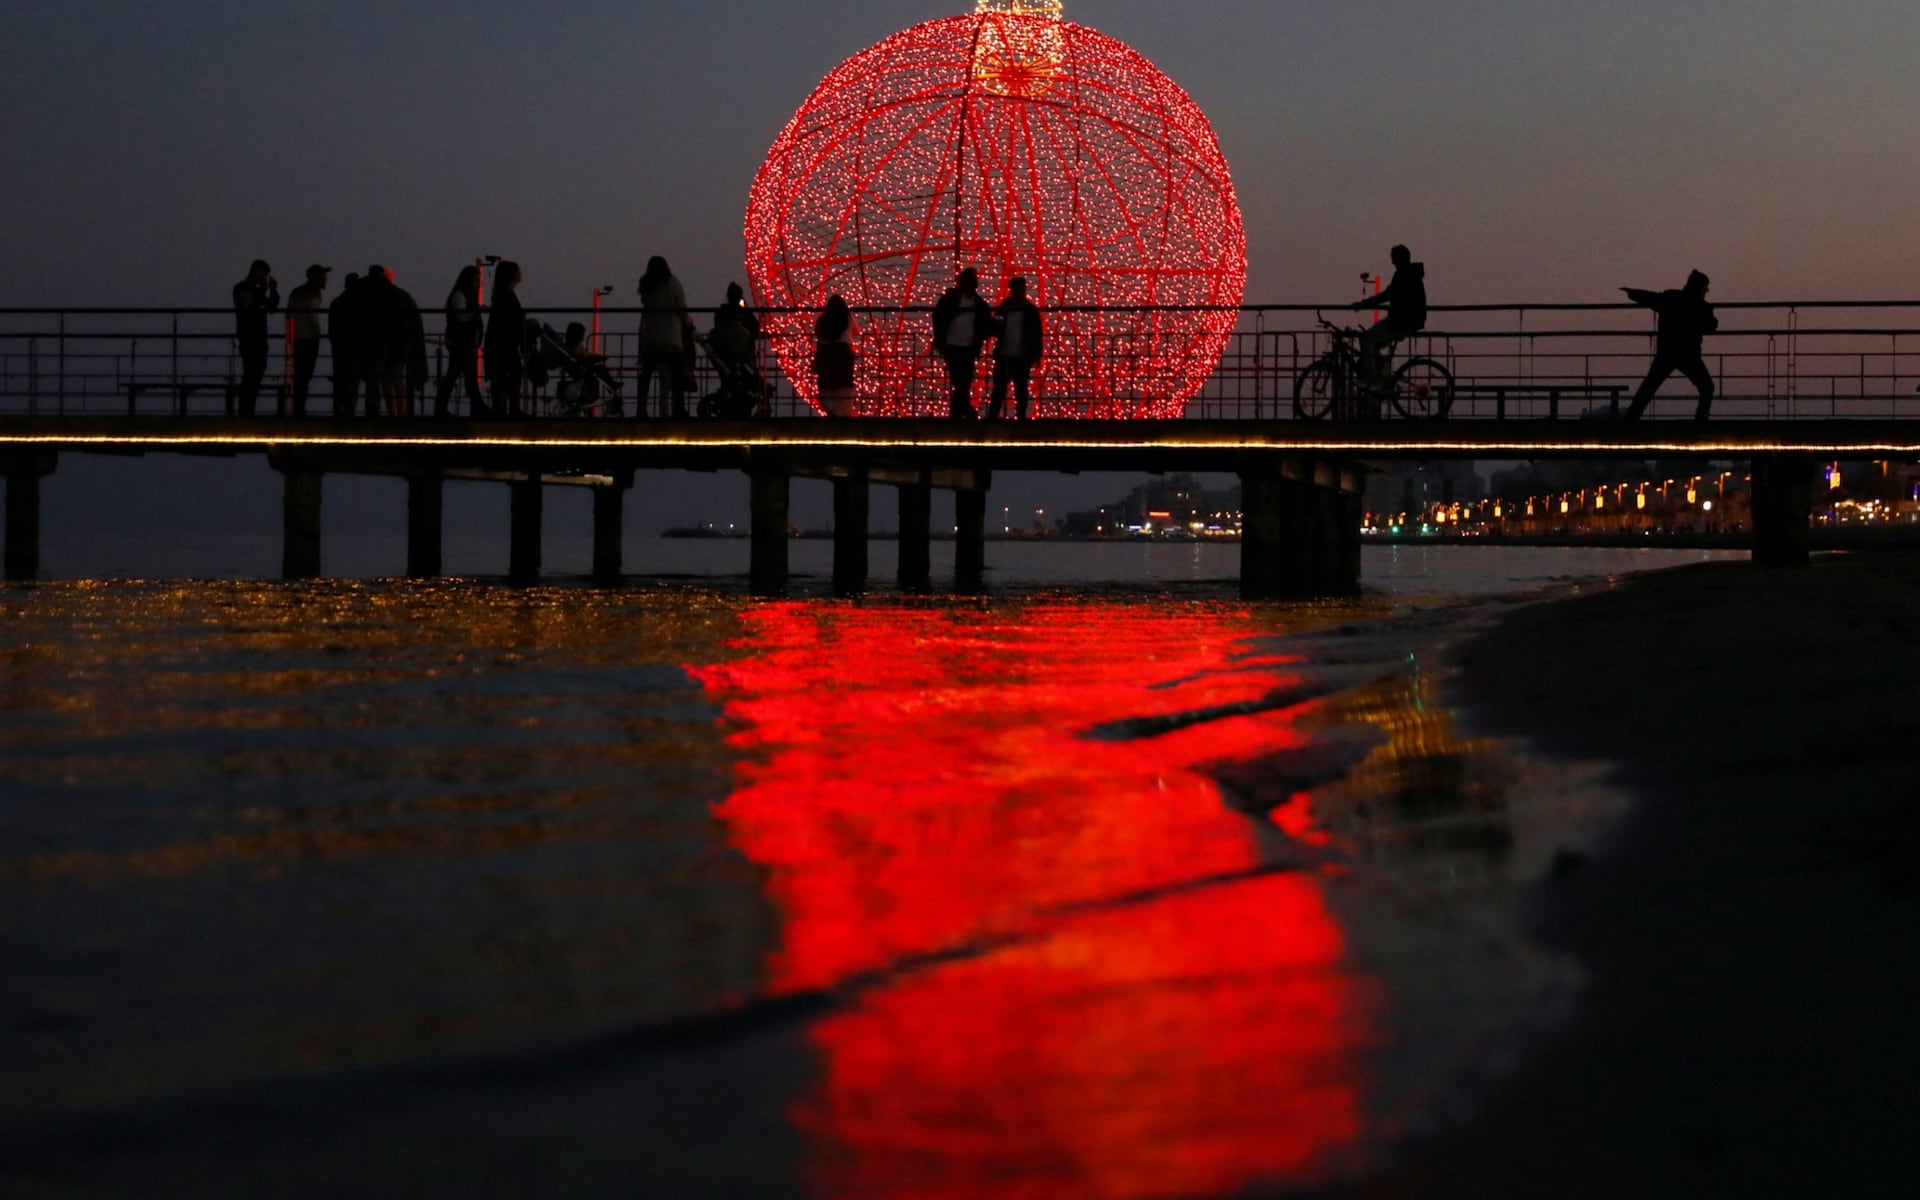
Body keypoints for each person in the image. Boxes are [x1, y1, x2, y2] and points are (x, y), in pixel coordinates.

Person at [1621, 270, 1719, 421]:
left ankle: (1630, 420)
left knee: (1649, 387)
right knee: (1707, 387)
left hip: (1666, 353)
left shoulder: (1670, 297)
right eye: (1705, 288)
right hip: (1689, 355)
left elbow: (1651, 298)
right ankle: (1701, 421)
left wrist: (1632, 293)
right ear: (1700, 288)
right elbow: (1711, 326)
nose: (1706, 291)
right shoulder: (1700, 306)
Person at [1351, 244, 1427, 390]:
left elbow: (1388, 294)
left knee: (1366, 339)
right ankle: (1385, 374)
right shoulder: (1411, 273)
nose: (1391, 260)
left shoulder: (1403, 274)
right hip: (1409, 319)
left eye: (1393, 257)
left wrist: (1364, 303)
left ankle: (1371, 380)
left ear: (1398, 258)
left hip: (1401, 321)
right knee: (1374, 344)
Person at [361, 265, 426, 417]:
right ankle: (400, 412)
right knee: (396, 379)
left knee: (385, 380)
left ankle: (392, 412)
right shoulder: (400, 296)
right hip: (398, 344)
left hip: (380, 345)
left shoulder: (369, 295)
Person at [637, 256, 694, 419]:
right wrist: (687, 326)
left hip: (651, 338)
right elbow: (682, 308)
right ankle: (678, 409)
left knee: (646, 375)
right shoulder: (672, 283)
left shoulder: (645, 285)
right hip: (670, 338)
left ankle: (641, 409)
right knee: (677, 375)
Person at [932, 267, 990, 419]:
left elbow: (985, 322)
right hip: (953, 345)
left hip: (968, 346)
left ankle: (959, 412)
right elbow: (939, 317)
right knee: (960, 380)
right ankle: (964, 411)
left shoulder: (977, 303)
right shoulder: (953, 299)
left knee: (963, 381)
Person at [985, 276, 1044, 420]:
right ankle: (1015, 419)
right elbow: (1037, 334)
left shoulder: (1010, 308)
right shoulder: (1024, 309)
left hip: (1017, 356)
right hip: (1011, 356)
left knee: (1014, 390)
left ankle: (998, 419)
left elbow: (1036, 334)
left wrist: (1036, 355)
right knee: (1007, 390)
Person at [709, 282, 766, 418]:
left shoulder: (721, 313)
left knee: (728, 384)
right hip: (744, 357)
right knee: (749, 385)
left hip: (725, 358)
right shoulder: (744, 313)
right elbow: (756, 327)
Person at [435, 265, 484, 418]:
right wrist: (478, 311)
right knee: (467, 376)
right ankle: (479, 408)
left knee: (454, 375)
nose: (477, 284)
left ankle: (441, 407)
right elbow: (462, 317)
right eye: (476, 280)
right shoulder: (460, 295)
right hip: (461, 342)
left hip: (461, 342)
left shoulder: (459, 295)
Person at [231, 259, 279, 417]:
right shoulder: (242, 289)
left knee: (256, 371)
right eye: (264, 274)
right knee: (251, 372)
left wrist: (273, 291)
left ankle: (247, 408)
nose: (265, 277)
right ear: (256, 272)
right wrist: (265, 290)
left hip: (258, 337)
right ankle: (245, 409)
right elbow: (252, 305)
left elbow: (271, 308)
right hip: (249, 337)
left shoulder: (254, 291)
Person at [483, 260, 527, 418]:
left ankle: (503, 409)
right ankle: (510, 409)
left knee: (503, 375)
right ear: (513, 274)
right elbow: (510, 316)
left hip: (501, 342)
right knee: (513, 372)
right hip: (505, 343)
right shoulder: (506, 294)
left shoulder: (501, 293)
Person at [284, 265, 329, 417]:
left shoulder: (296, 292)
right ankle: (300, 409)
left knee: (298, 375)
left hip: (296, 338)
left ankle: (297, 408)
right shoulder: (313, 294)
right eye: (323, 277)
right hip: (309, 338)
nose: (326, 280)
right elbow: (312, 315)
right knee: (305, 375)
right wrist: (318, 333)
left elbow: (288, 314)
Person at [326, 272, 364, 418]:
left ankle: (338, 411)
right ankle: (349, 412)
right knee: (352, 382)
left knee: (340, 381)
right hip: (355, 348)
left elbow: (332, 327)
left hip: (339, 347)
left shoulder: (337, 303)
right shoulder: (361, 304)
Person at [812, 295, 857, 417]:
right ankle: (842, 416)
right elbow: (857, 331)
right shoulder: (848, 318)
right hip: (843, 354)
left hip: (825, 355)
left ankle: (831, 413)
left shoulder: (822, 319)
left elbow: (817, 332)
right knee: (844, 388)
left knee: (825, 388)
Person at [560, 321, 622, 408]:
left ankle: (610, 386)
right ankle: (611, 386)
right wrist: (597, 357)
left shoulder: (569, 346)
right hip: (583, 370)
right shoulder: (576, 347)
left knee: (599, 368)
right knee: (601, 368)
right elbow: (583, 357)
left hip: (579, 368)